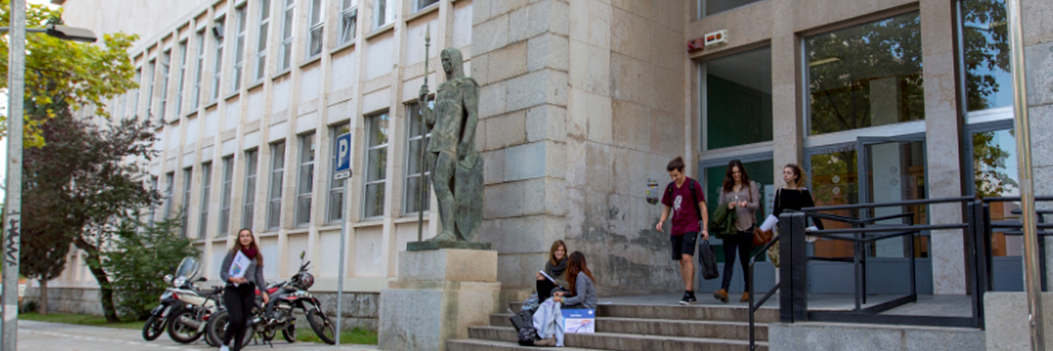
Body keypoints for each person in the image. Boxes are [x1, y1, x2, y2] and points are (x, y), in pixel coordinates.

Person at [656, 156, 709, 305]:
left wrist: (705, 228)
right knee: (680, 260)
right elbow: (667, 207)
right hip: (676, 228)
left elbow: (703, 207)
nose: (674, 178)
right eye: (671, 176)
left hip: (691, 226)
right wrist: (662, 221)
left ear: (682, 171)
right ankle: (688, 292)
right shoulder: (671, 187)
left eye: (676, 175)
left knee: (687, 258)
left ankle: (689, 292)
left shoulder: (693, 185)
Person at [715, 160, 759, 303]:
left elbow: (756, 205)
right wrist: (728, 206)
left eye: (738, 172)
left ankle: (747, 291)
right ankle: (724, 290)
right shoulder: (725, 188)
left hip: (746, 226)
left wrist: (747, 204)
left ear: (742, 172)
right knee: (729, 259)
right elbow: (720, 208)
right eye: (733, 173)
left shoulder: (750, 185)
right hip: (730, 228)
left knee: (745, 260)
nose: (736, 175)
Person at [218, 229, 269, 351]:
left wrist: (264, 291)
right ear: (239, 239)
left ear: (251, 238)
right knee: (236, 318)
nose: (245, 238)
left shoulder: (257, 255)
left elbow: (259, 276)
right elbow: (223, 272)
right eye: (242, 236)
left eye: (247, 236)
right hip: (233, 289)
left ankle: (237, 348)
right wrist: (233, 279)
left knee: (243, 321)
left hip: (248, 289)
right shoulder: (233, 253)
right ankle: (225, 344)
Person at [773, 163, 824, 230]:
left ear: (795, 176)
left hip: (799, 228)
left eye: (788, 173)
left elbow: (812, 210)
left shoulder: (803, 192)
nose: (785, 175)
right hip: (784, 229)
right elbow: (775, 212)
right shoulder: (780, 191)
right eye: (784, 172)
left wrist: (819, 227)